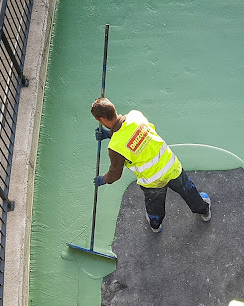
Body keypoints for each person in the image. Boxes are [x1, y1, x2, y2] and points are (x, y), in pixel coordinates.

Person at [90, 97, 211, 233]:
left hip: (152, 180)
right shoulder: (135, 115)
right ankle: (204, 211)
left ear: (101, 120)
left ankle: (155, 225)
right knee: (188, 190)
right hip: (170, 166)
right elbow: (131, 132)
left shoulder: (115, 147)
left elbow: (115, 174)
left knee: (155, 205)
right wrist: (111, 133)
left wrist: (104, 179)